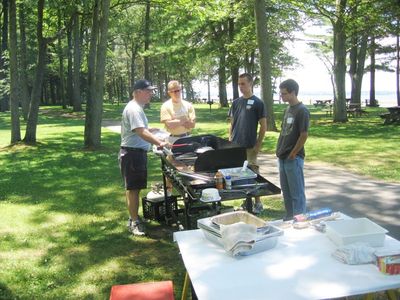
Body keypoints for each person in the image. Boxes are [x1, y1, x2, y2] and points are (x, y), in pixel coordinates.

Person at [119, 79, 169, 236]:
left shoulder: (137, 108)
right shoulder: (134, 109)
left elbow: (141, 129)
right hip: (132, 154)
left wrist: (150, 129)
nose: (151, 94)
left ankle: (134, 217)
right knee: (133, 189)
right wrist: (159, 142)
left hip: (135, 154)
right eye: (148, 91)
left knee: (135, 188)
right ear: (138, 92)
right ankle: (134, 222)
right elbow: (140, 131)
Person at [228, 73, 267, 214]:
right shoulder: (236, 102)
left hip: (250, 146)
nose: (241, 87)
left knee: (253, 174)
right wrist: (229, 139)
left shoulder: (258, 102)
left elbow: (263, 126)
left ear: (250, 84)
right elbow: (232, 123)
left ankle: (258, 203)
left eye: (243, 84)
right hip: (235, 146)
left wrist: (258, 145)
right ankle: (246, 201)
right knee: (239, 174)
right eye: (239, 84)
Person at [276, 79, 310, 221]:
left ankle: (300, 219)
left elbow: (303, 135)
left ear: (293, 92)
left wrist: (294, 153)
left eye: (284, 93)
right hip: (282, 156)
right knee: (287, 192)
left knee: (297, 193)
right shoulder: (287, 109)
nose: (281, 96)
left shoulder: (302, 111)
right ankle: (289, 218)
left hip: (293, 158)